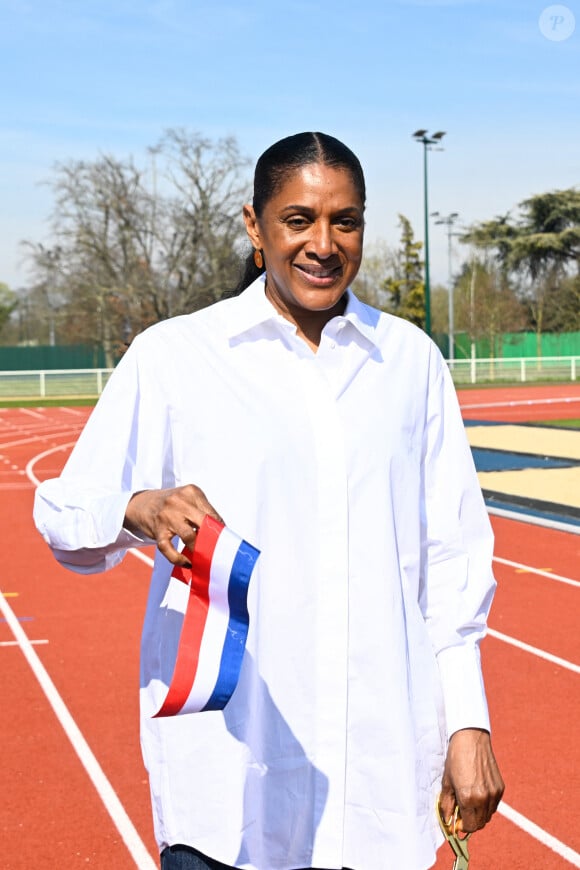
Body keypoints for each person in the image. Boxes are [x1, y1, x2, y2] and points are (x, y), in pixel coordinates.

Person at [33, 131, 504, 870]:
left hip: (373, 788)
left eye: (344, 220)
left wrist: (468, 724)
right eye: (298, 219)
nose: (323, 243)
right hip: (227, 788)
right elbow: (64, 513)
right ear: (255, 227)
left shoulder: (410, 363)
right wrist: (142, 508)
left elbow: (451, 560)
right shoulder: (176, 356)